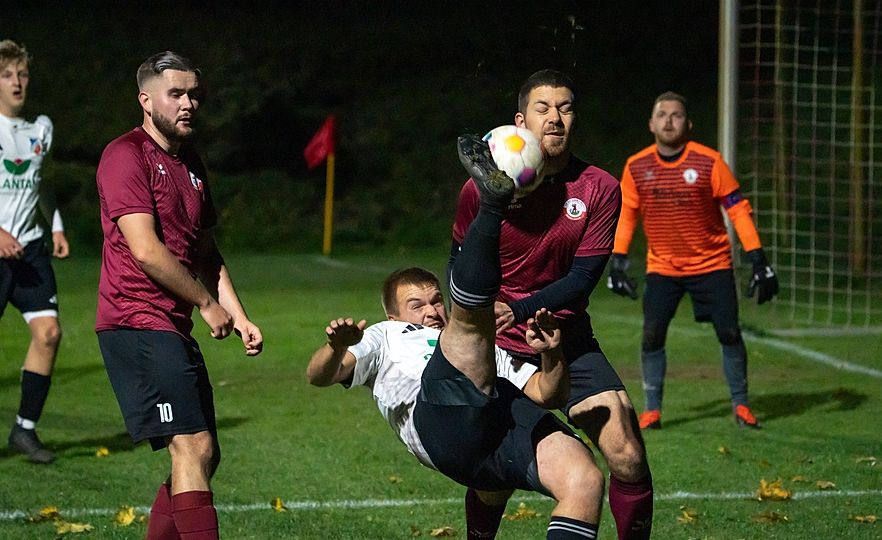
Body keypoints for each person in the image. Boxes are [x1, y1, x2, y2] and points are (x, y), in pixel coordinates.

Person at [308, 136, 605, 539]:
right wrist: (336, 346)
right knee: (471, 323)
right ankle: (493, 204)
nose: (431, 311)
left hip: (490, 420)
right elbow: (319, 376)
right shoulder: (386, 335)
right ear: (394, 315)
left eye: (436, 300)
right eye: (416, 305)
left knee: (584, 479)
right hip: (437, 420)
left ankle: (491, 209)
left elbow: (546, 394)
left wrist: (553, 355)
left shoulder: (483, 349)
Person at [450, 69, 654, 540]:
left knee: (626, 452)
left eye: (565, 108)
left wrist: (520, 311)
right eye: (543, 108)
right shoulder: (482, 189)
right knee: (493, 479)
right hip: (496, 344)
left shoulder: (599, 187)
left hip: (566, 338)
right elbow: (457, 265)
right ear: (520, 122)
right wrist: (472, 321)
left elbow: (583, 279)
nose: (555, 119)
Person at [95, 51, 263, 540]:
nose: (189, 103)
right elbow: (146, 250)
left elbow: (205, 251)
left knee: (206, 455)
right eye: (176, 94)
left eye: (193, 94)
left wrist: (238, 314)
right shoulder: (125, 155)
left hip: (169, 325)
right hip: (134, 320)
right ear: (146, 100)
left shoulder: (190, 163)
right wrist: (207, 305)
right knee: (192, 446)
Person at [607, 91, 779, 430]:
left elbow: (738, 210)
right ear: (651, 124)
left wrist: (758, 259)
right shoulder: (636, 166)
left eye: (676, 115)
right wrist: (618, 261)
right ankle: (652, 411)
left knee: (729, 332)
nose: (669, 120)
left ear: (689, 124)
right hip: (663, 267)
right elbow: (627, 214)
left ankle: (741, 405)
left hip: (712, 265)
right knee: (652, 334)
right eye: (662, 114)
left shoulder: (709, 162)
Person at [1, 39, 70, 465]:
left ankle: (24, 430)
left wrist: (56, 224)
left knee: (49, 333)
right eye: (7, 75)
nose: (17, 82)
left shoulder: (40, 129)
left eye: (22, 74)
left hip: (29, 251)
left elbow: (40, 182)